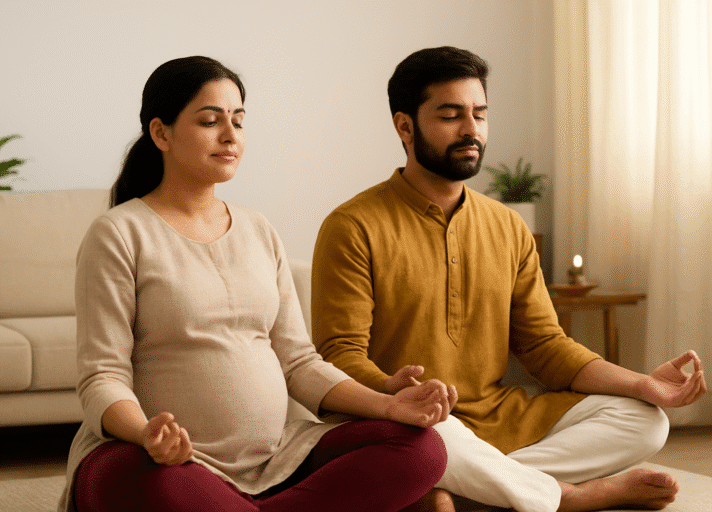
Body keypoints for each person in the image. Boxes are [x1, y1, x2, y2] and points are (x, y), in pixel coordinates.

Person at [312, 46, 707, 512]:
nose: (471, 130)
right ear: (404, 126)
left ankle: (468, 488)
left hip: (501, 416)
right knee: (431, 443)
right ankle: (567, 496)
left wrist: (640, 384)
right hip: (410, 421)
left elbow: (544, 346)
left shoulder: (507, 225)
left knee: (645, 420)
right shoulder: (353, 225)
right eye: (451, 115)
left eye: (479, 113)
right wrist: (394, 394)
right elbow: (338, 356)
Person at [57, 55, 456, 512]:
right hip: (161, 462)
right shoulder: (119, 233)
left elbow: (298, 361)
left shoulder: (257, 229)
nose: (230, 136)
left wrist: (387, 403)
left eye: (239, 121)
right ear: (161, 133)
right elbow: (101, 376)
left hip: (279, 459)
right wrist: (145, 433)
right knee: (143, 484)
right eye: (210, 121)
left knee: (420, 447)